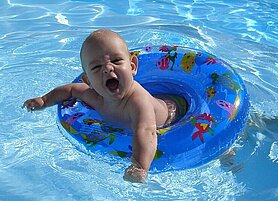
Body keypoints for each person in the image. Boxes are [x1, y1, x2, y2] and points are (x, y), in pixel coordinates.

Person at [23, 29, 186, 183]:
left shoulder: (138, 102)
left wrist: (139, 167)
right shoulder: (94, 97)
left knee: (150, 121)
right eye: (96, 67)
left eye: (116, 61)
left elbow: (146, 131)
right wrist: (44, 100)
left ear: (132, 66)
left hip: (174, 111)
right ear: (88, 81)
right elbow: (71, 90)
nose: (108, 69)